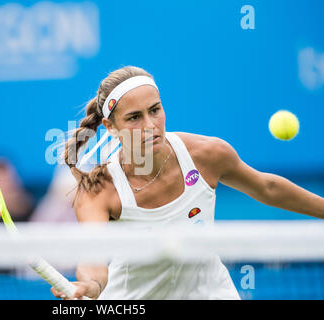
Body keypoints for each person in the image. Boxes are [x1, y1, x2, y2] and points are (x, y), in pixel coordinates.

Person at [50, 66, 324, 300]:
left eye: (155, 110)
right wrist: (90, 285)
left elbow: (268, 188)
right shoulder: (100, 190)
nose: (150, 125)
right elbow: (93, 260)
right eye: (134, 117)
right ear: (111, 127)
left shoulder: (207, 155)